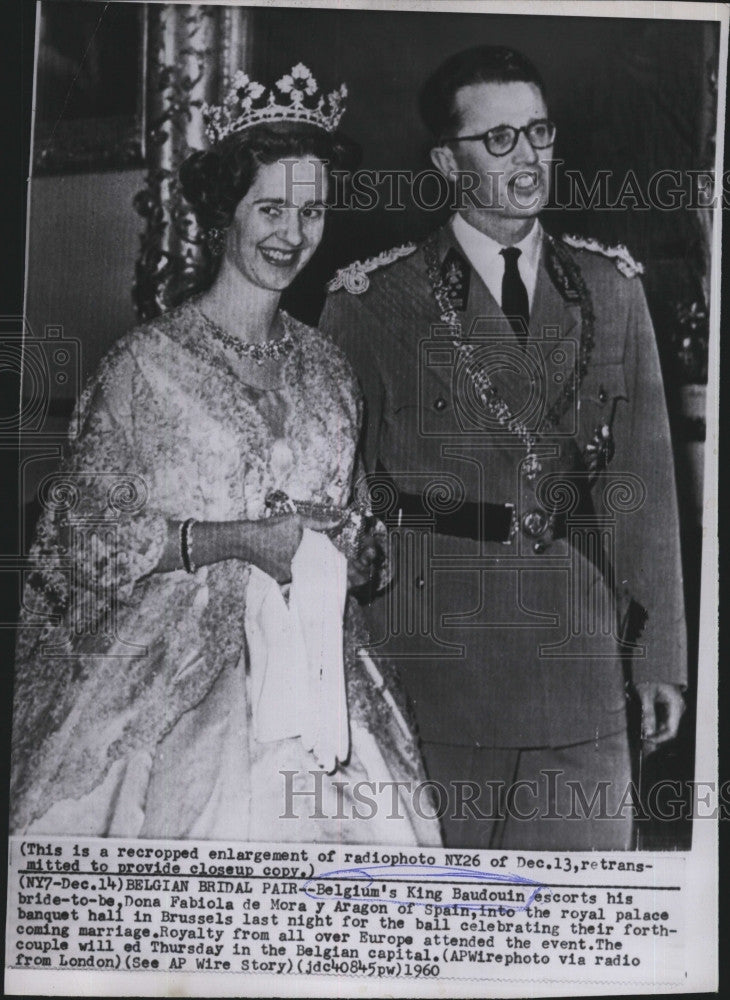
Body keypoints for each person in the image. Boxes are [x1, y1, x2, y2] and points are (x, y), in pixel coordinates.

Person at [11, 65, 440, 846]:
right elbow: (80, 542)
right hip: (168, 685)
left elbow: (356, 516)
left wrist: (364, 549)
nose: (292, 234)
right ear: (224, 212)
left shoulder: (330, 369)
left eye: (311, 211)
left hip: (315, 669)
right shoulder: (145, 365)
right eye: (270, 208)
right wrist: (233, 540)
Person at [320, 45, 687, 849]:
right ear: (447, 162)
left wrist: (659, 658)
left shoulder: (613, 290)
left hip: (580, 663)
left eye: (540, 132)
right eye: (500, 140)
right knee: (441, 930)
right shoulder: (374, 302)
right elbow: (338, 499)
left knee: (580, 925)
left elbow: (647, 487)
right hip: (436, 664)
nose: (529, 158)